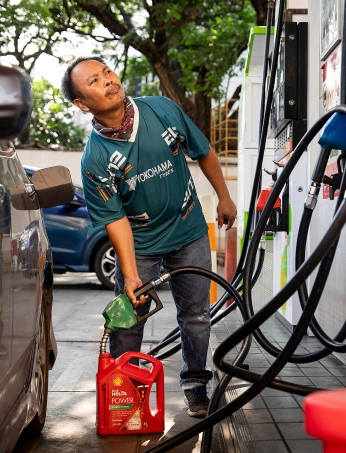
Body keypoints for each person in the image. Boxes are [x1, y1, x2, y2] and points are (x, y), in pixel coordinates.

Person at [62, 56, 237, 418]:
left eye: (107, 71)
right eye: (95, 81)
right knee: (128, 317)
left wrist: (223, 195)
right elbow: (116, 221)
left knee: (196, 315)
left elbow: (202, 151)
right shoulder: (95, 159)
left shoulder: (161, 110)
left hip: (188, 230)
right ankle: (126, 391)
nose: (109, 80)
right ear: (81, 104)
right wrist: (129, 274)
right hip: (139, 243)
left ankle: (195, 384)